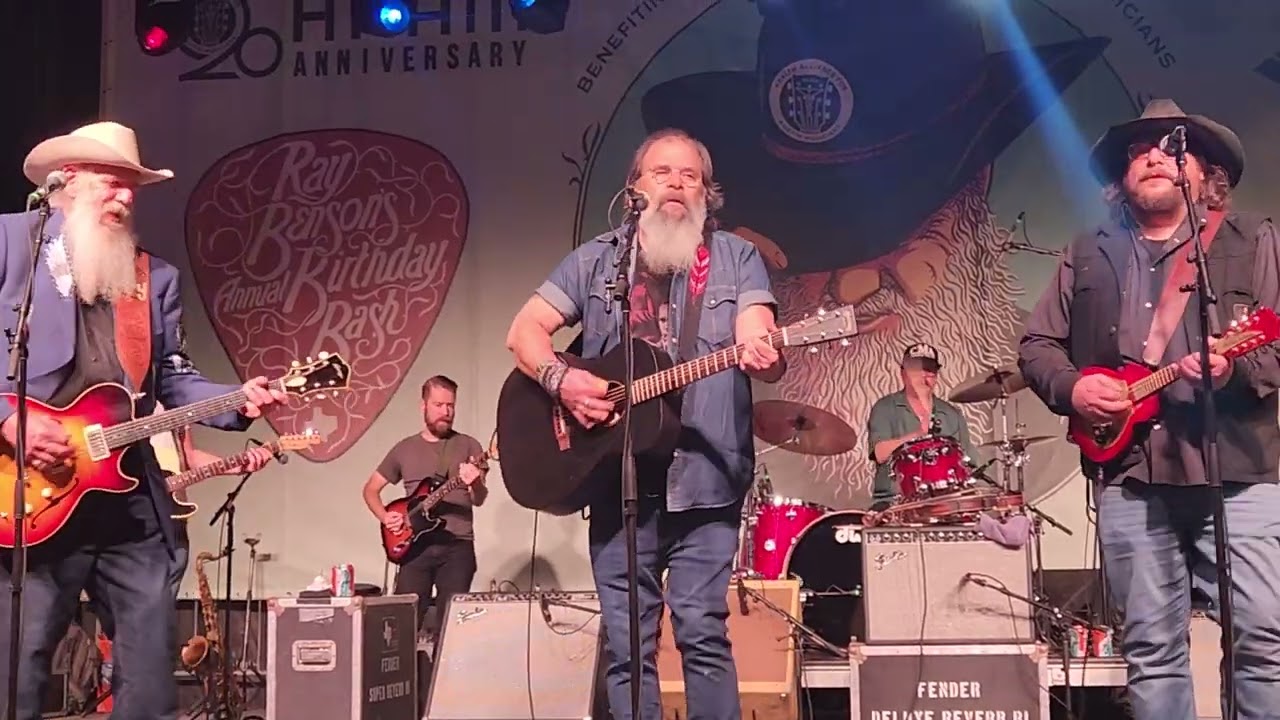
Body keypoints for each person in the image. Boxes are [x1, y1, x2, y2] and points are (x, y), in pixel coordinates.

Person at [0, 121, 287, 720]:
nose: (126, 197)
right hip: (32, 498)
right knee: (18, 668)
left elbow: (172, 380)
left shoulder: (153, 278)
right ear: (68, 183)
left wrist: (239, 398)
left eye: (133, 187)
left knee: (150, 676)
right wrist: (8, 418)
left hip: (129, 505)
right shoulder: (9, 244)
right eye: (113, 182)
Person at [505, 128, 785, 720]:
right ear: (635, 187)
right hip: (616, 479)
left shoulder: (735, 258)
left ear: (709, 193)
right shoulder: (595, 260)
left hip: (708, 485)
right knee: (627, 647)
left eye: (690, 176)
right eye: (663, 173)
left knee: (702, 634)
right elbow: (523, 332)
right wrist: (562, 381)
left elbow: (754, 324)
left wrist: (760, 345)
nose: (677, 184)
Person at [1017, 99, 1280, 720]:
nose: (1153, 157)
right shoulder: (1087, 251)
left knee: (1262, 642)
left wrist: (1234, 366)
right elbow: (1036, 345)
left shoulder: (1255, 239)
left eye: (1171, 147)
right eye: (1138, 151)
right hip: (1131, 478)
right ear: (1121, 176)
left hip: (1239, 474)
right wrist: (1075, 388)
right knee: (1151, 651)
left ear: (1206, 172)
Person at [362, 375, 487, 637]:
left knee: (452, 627)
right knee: (401, 626)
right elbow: (371, 489)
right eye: (439, 405)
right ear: (424, 406)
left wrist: (474, 483)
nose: (446, 412)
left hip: (457, 547)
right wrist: (386, 517)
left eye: (451, 405)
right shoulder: (404, 449)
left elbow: (479, 498)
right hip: (414, 548)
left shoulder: (468, 445)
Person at [866, 343, 983, 510]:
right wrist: (918, 433)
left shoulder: (951, 413)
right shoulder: (885, 407)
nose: (923, 376)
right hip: (893, 503)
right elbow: (880, 454)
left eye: (929, 370)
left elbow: (969, 463)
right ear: (903, 374)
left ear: (936, 376)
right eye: (915, 370)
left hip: (945, 503)